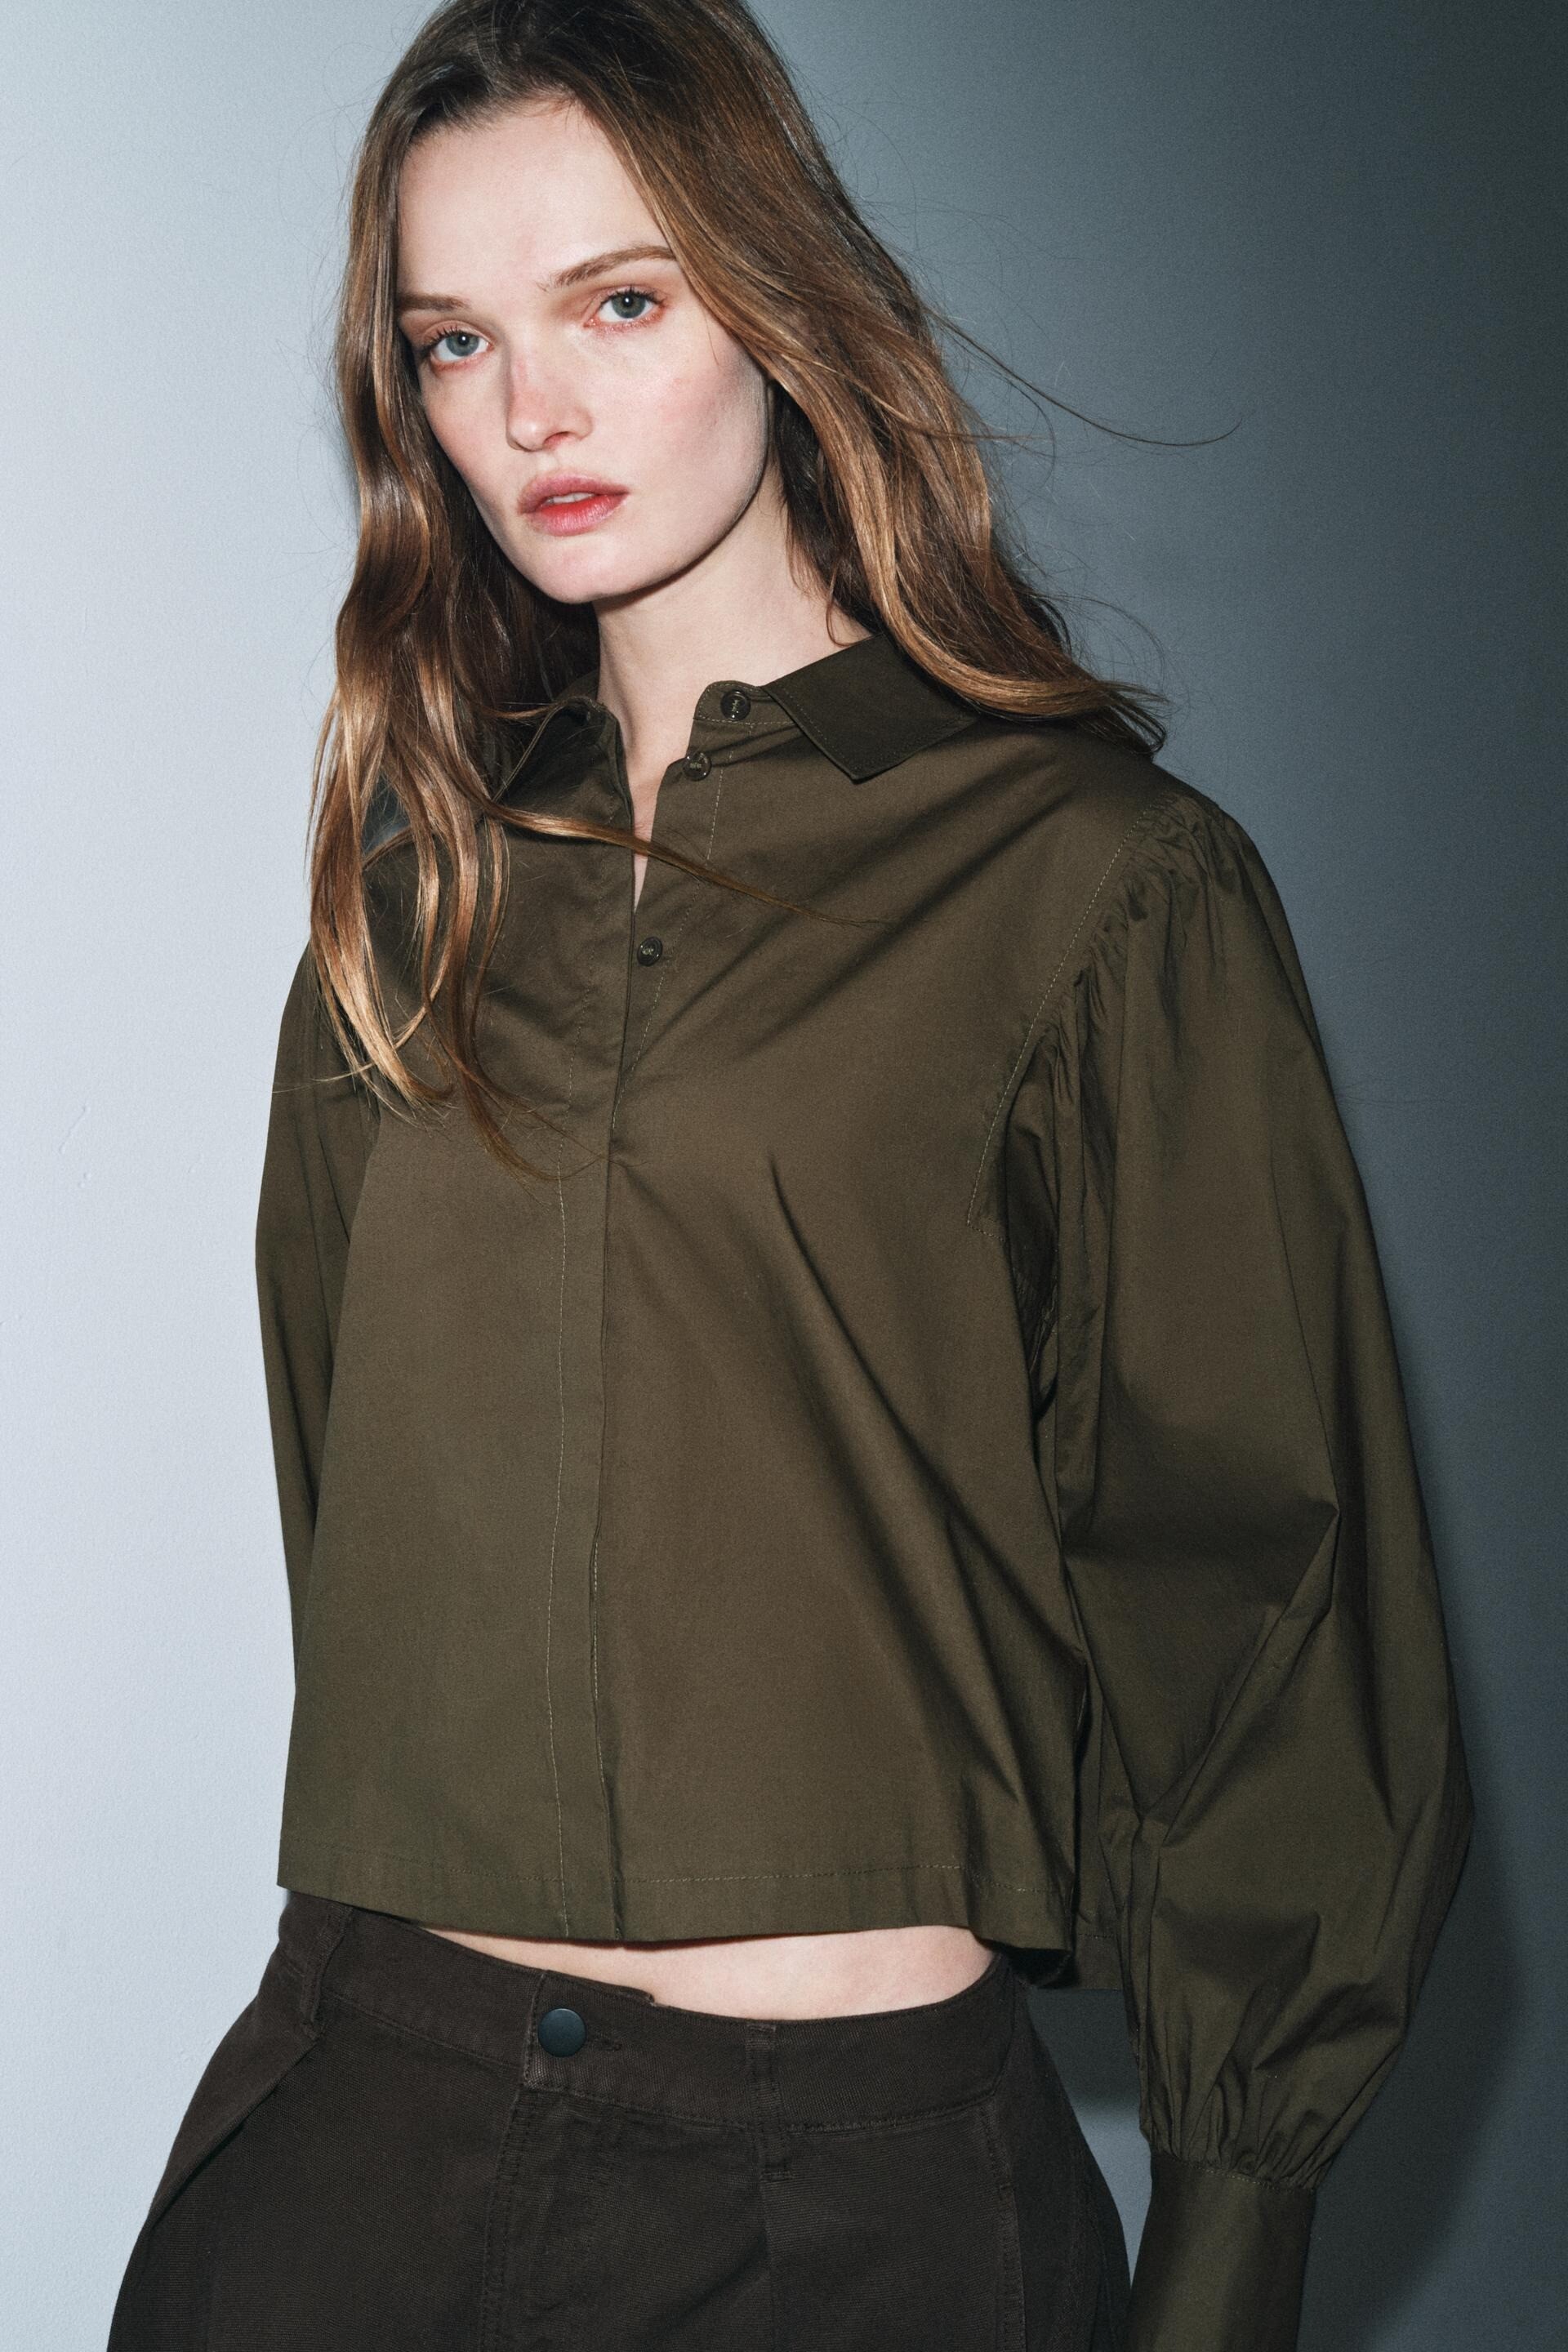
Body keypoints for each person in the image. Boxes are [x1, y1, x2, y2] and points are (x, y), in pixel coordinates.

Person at [106, 2, 1473, 2347]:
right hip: (357, 2144)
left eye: (620, 303)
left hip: (846, 2208)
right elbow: (354, 1490)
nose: (532, 411)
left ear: (777, 299)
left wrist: (1231, 2240)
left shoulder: (1094, 884)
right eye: (456, 341)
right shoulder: (412, 906)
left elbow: (1265, 1598)